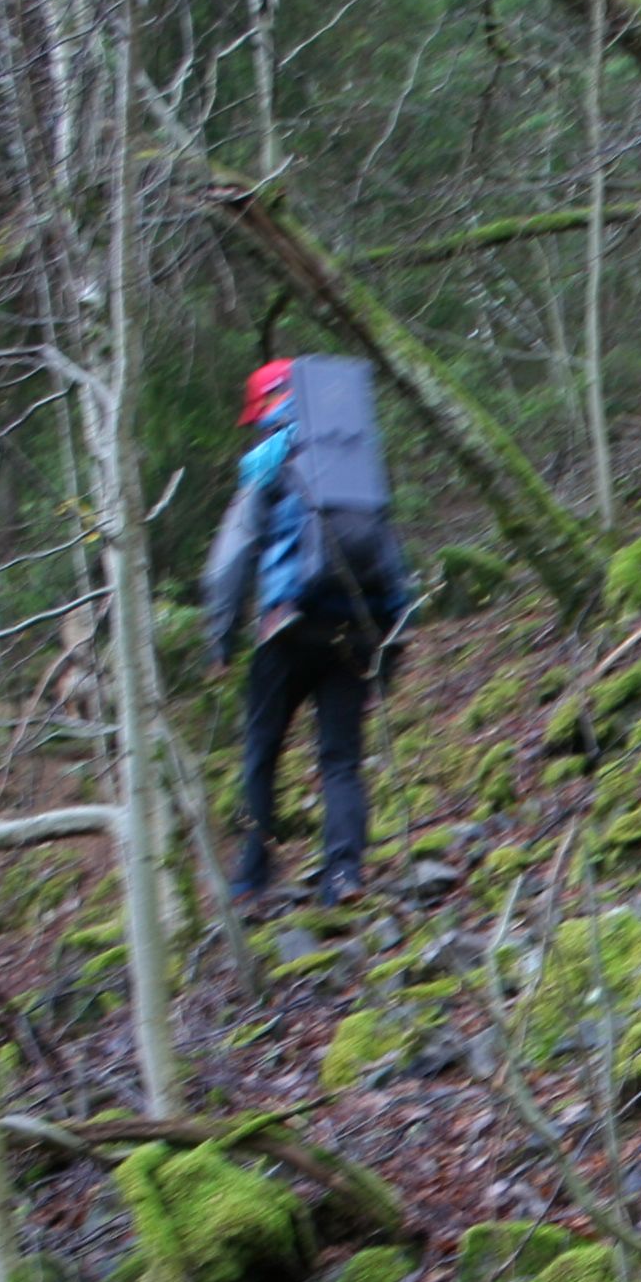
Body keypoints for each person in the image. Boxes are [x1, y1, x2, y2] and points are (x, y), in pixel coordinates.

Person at [202, 355, 413, 904]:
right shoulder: (354, 454)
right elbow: (389, 545)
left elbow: (233, 555)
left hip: (288, 625)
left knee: (261, 748)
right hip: (358, 625)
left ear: (269, 403)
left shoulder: (268, 460)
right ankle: (345, 874)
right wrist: (395, 630)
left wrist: (219, 636)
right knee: (340, 757)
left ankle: (251, 874)